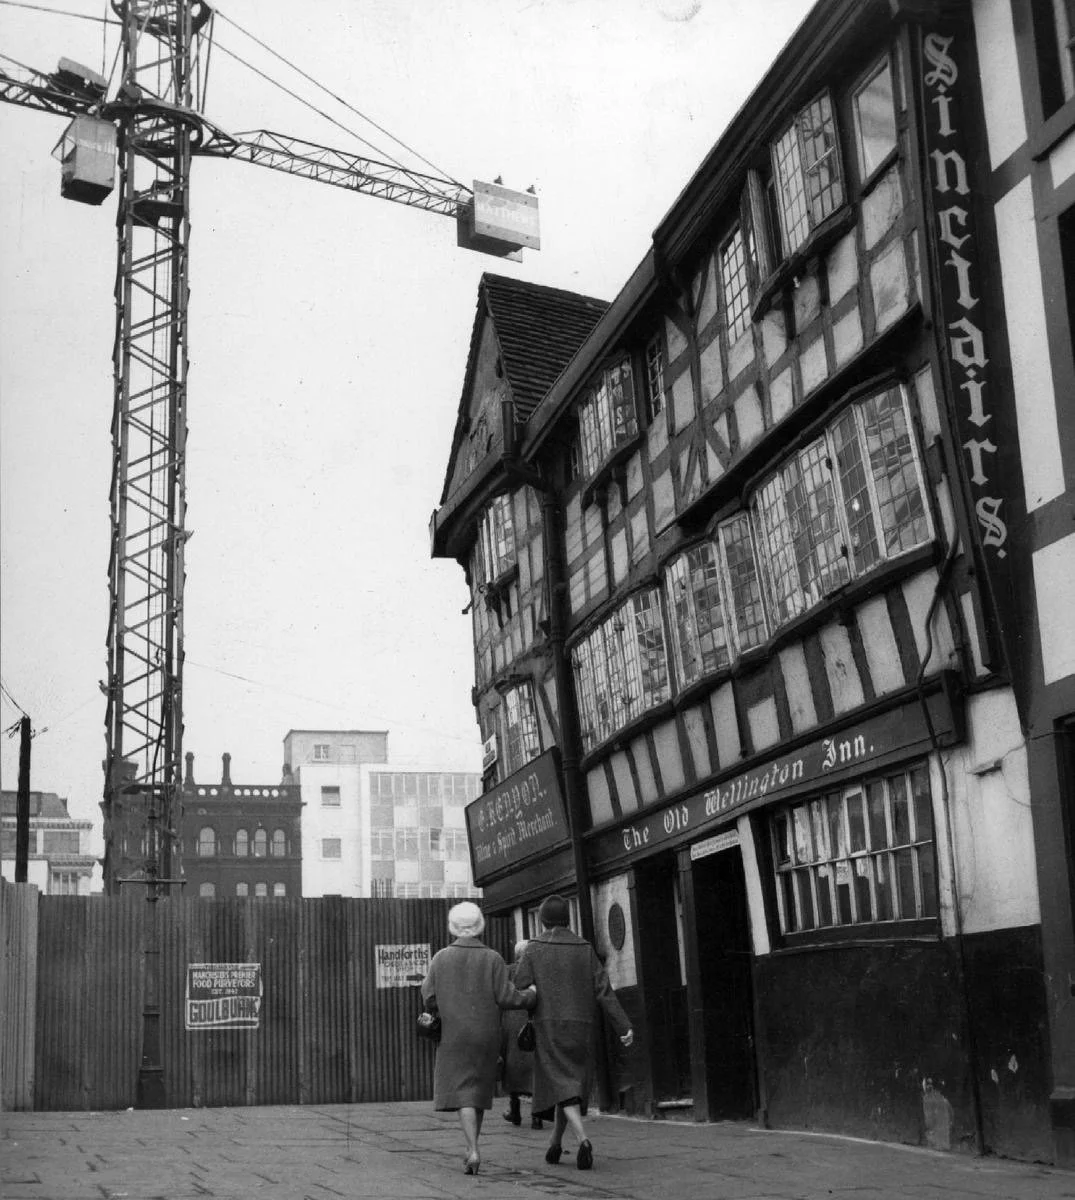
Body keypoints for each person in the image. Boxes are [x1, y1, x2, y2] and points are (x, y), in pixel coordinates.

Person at [513, 893, 633, 1172]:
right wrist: (624, 1026)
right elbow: (604, 990)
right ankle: (555, 1145)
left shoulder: (534, 948)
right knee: (566, 1083)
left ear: (542, 920)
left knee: (561, 1084)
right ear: (567, 919)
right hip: (583, 1027)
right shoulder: (584, 948)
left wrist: (533, 990)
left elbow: (520, 982)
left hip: (550, 1026)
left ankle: (583, 1140)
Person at [420, 901, 536, 1175]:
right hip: (487, 1034)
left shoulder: (441, 958)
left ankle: (472, 1148)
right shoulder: (493, 958)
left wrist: (444, 1008)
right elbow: (508, 998)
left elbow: (428, 996)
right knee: (479, 1091)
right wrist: (531, 994)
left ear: (454, 926)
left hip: (454, 1034)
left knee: (463, 1093)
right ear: (479, 925)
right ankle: (473, 1145)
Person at [500, 940, 543, 1130]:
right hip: (531, 1019)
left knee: (512, 1066)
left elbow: (501, 995)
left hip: (511, 1020)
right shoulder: (537, 972)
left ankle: (515, 1111)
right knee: (533, 1066)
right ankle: (536, 1115)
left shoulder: (508, 971)